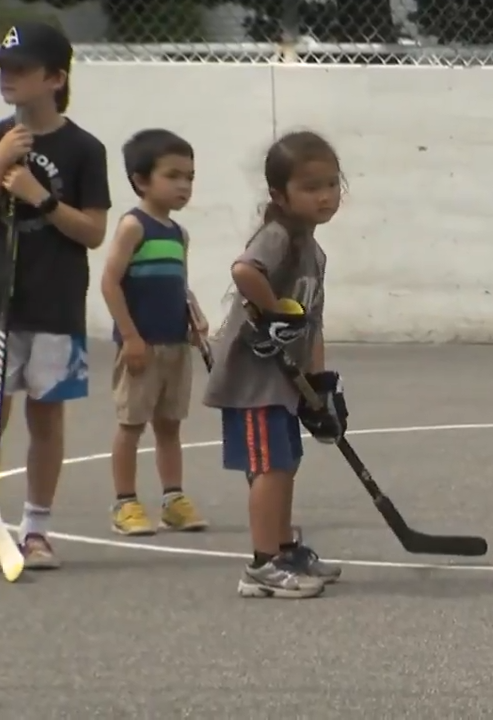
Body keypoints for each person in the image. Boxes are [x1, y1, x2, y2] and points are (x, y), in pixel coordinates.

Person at [202, 130, 348, 600]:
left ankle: (285, 548)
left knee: (286, 463)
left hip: (283, 382)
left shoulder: (313, 250)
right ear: (279, 195)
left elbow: (313, 324)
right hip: (254, 380)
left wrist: (318, 385)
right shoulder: (278, 235)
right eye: (311, 187)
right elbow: (245, 271)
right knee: (269, 467)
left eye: (331, 184)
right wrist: (273, 311)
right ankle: (263, 565)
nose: (325, 196)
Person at [0, 21, 110, 571]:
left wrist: (39, 198)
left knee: (46, 418)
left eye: (21, 70)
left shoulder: (85, 148)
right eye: (3, 69)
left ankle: (36, 527)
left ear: (56, 77)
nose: (7, 78)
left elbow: (92, 231)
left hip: (55, 304)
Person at [100, 129, 210, 536]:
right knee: (131, 424)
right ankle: (125, 503)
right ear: (141, 180)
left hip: (175, 346)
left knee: (169, 425)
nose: (184, 185)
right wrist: (131, 337)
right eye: (174, 175)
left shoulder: (178, 234)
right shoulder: (134, 226)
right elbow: (110, 283)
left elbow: (180, 284)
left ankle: (173, 499)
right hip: (141, 347)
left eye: (190, 177)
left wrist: (195, 319)